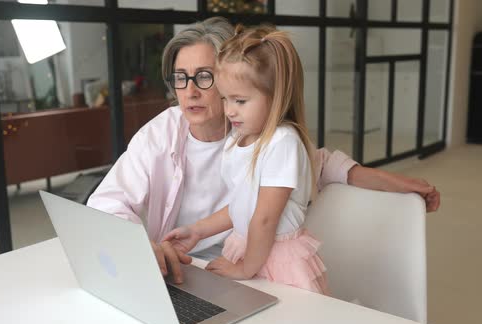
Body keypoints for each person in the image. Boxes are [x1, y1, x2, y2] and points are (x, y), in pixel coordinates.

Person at [86, 17, 440, 284]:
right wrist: (141, 244)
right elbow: (106, 202)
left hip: (246, 265)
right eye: (181, 78)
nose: (190, 92)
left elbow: (322, 163)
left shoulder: (258, 133)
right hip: (185, 269)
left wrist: (404, 184)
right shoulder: (162, 132)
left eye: (204, 77)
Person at [163, 25, 328, 294]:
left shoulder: (282, 142)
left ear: (275, 97)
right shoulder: (237, 140)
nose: (229, 111)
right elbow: (242, 204)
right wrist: (197, 230)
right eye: (226, 98)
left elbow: (264, 219)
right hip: (250, 249)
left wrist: (245, 269)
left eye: (240, 100)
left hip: (277, 260)